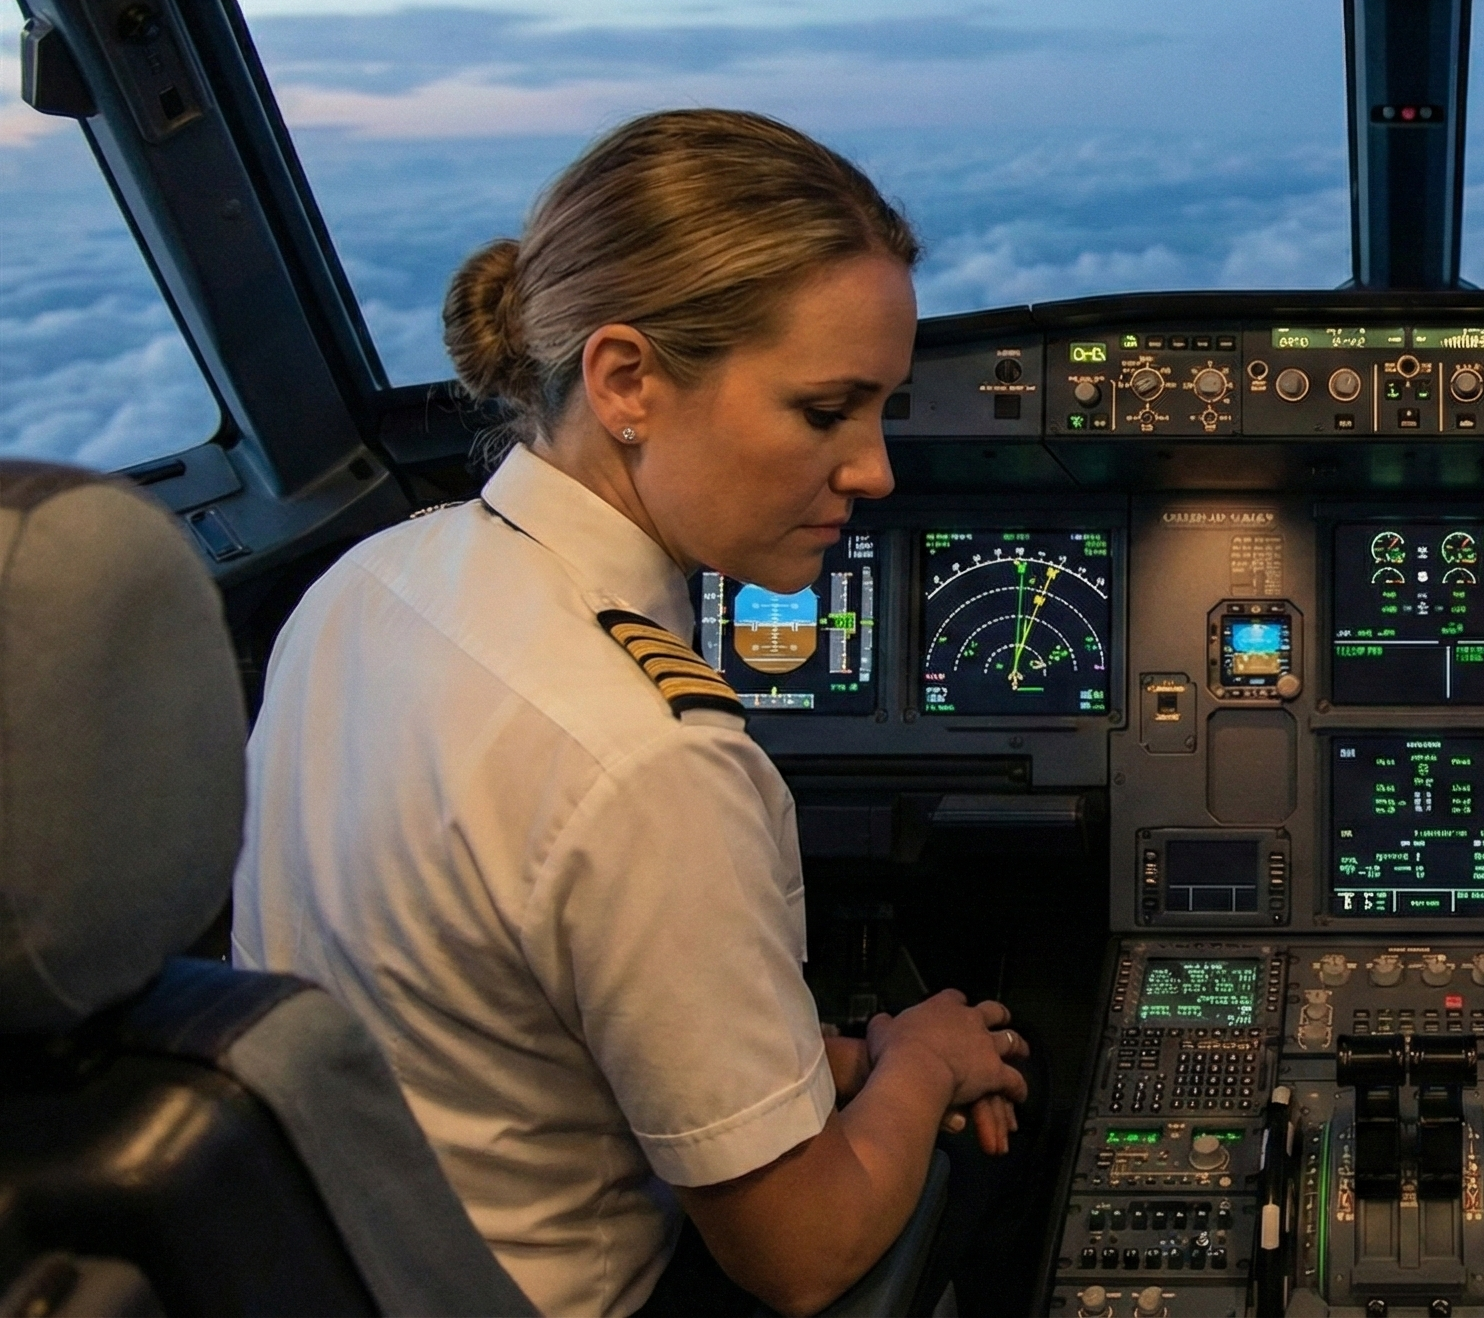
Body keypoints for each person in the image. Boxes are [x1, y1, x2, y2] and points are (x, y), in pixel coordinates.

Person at [233, 109, 1030, 1318]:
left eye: (881, 411)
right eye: (826, 412)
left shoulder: (368, 584)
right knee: (1002, 1150)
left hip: (345, 1266)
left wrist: (832, 1061)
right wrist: (918, 1063)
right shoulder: (642, 760)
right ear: (626, 382)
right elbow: (800, 1256)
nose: (873, 470)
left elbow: (485, 1019)